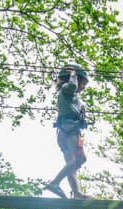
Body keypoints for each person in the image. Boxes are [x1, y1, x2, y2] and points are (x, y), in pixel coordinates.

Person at [46, 64, 92, 199]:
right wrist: (73, 75)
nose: (83, 87)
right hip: (68, 130)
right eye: (82, 83)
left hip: (71, 130)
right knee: (73, 162)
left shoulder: (73, 98)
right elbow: (72, 86)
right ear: (76, 79)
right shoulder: (67, 89)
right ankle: (54, 183)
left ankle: (76, 193)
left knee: (77, 160)